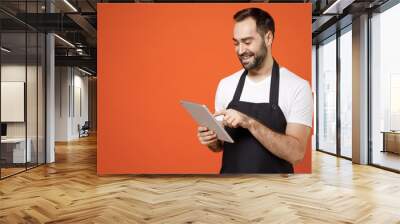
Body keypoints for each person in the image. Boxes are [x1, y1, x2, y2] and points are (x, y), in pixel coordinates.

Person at [197, 7, 313, 173]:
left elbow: (296, 154)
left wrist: (250, 123)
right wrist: (211, 140)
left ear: (268, 37)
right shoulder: (226, 85)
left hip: (275, 194)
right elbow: (219, 146)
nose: (240, 50)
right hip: (230, 189)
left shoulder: (298, 87)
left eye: (247, 42)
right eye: (236, 43)